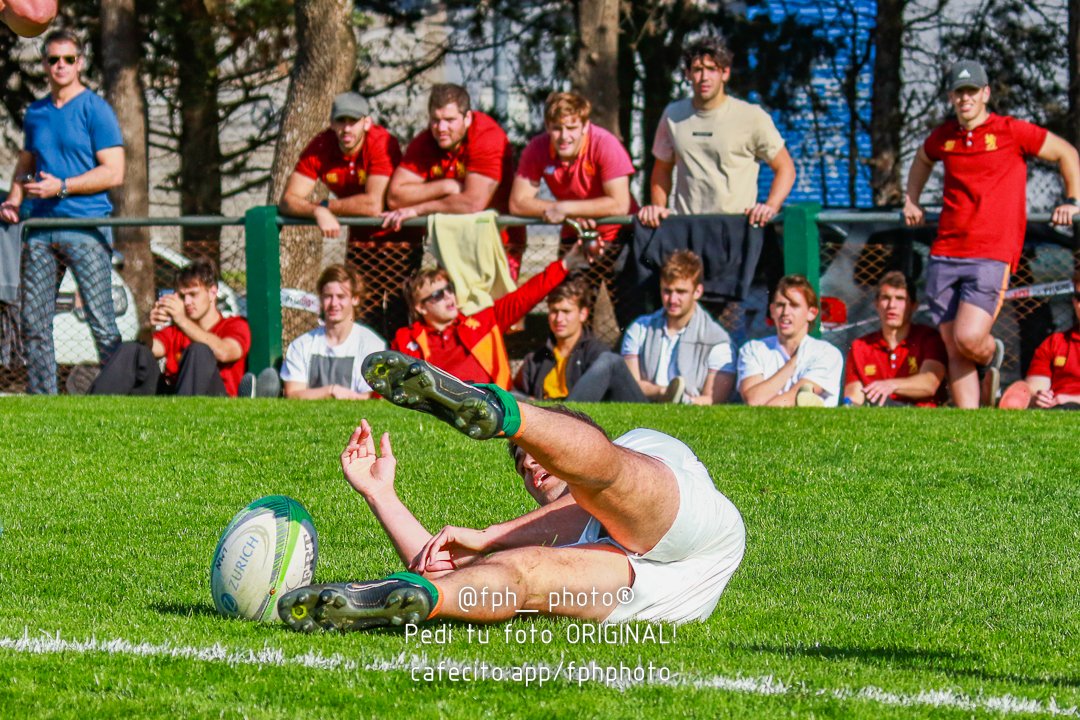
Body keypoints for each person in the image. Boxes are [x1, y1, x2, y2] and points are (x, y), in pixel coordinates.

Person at [278, 351, 745, 631]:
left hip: (700, 535)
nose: (530, 467)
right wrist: (381, 494)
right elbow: (441, 561)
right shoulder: (540, 535)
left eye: (535, 454)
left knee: (608, 477)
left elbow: (587, 497)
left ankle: (505, 414)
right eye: (521, 465)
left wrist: (491, 535)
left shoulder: (640, 445)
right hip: (662, 598)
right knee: (524, 574)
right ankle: (423, 606)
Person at [904, 59, 1080, 408]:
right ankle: (971, 429)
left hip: (991, 253)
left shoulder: (1011, 131)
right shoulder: (944, 137)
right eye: (959, 92)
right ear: (952, 97)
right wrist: (911, 200)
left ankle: (991, 354)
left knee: (968, 336)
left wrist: (1072, 200)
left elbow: (1065, 152)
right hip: (944, 251)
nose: (964, 98)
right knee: (953, 344)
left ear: (985, 93)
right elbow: (923, 159)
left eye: (971, 91)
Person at [0, 29, 125, 394]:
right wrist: (13, 200)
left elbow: (114, 171)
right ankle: (45, 401)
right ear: (44, 64)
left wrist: (64, 186)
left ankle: (117, 395)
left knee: (102, 320)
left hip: (85, 226)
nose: (60, 66)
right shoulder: (36, 113)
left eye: (68, 59)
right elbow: (25, 164)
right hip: (39, 228)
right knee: (34, 322)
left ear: (80, 63)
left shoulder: (96, 110)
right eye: (53, 59)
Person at [636, 35, 795, 230]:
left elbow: (785, 168)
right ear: (687, 74)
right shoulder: (672, 115)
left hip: (737, 227)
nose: (704, 77)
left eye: (712, 69)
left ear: (725, 73)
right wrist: (658, 209)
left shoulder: (751, 116)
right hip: (687, 228)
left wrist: (770, 207)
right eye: (697, 70)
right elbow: (661, 170)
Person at [391, 242, 588, 389]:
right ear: (420, 308)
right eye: (437, 295)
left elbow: (525, 296)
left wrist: (564, 264)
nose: (449, 296)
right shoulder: (406, 339)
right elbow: (393, 384)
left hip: (489, 401)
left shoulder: (483, 322)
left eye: (449, 289)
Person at [381, 84, 525, 274]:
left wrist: (417, 209)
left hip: (498, 243)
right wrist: (447, 186)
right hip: (452, 243)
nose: (441, 128)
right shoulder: (426, 141)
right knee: (448, 303)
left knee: (497, 305)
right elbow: (395, 197)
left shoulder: (486, 136)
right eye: (435, 120)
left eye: (450, 120)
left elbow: (473, 203)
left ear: (467, 118)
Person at [90, 260, 250, 397]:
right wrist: (148, 327)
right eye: (181, 296)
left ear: (212, 293)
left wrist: (181, 319)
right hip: (172, 396)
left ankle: (183, 421)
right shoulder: (177, 331)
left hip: (215, 399)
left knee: (199, 351)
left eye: (193, 294)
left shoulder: (235, 325)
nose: (187, 302)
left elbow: (225, 352)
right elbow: (150, 349)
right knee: (133, 349)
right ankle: (92, 410)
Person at [510, 91, 635, 251]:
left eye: (571, 128)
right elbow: (517, 203)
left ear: (585, 126)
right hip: (574, 234)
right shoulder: (536, 148)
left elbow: (620, 204)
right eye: (556, 128)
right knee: (562, 275)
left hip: (618, 234)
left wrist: (565, 209)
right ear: (547, 127)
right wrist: (567, 212)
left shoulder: (606, 144)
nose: (564, 136)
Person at [278, 91, 400, 243]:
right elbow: (287, 200)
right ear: (332, 123)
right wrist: (317, 211)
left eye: (353, 121)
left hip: (399, 235)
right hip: (360, 238)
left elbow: (373, 205)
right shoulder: (320, 147)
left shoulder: (380, 142)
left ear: (367, 123)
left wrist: (326, 206)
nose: (347, 129)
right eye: (341, 121)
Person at [621, 250, 734, 404]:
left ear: (698, 291)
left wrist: (681, 400)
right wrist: (663, 393)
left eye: (681, 292)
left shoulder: (718, 340)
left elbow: (713, 401)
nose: (673, 300)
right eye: (667, 291)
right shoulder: (640, 328)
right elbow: (629, 387)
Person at [515, 277, 645, 403]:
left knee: (611, 360)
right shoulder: (535, 360)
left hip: (577, 418)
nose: (559, 319)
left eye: (566, 311)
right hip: (548, 416)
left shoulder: (597, 354)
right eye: (554, 311)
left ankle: (567, 412)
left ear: (583, 314)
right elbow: (517, 393)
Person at [280, 264, 386, 400]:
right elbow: (293, 394)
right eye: (328, 296)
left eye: (341, 296)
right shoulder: (301, 345)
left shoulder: (372, 345)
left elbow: (368, 398)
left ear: (355, 299)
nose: (334, 303)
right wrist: (331, 391)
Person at [843, 271, 948, 407]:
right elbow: (853, 397)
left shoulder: (929, 338)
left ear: (914, 306)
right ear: (876, 304)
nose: (891, 305)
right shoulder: (860, 346)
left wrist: (891, 385)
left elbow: (930, 383)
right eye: (885, 298)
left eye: (900, 299)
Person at [737, 274, 843, 407]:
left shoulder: (827, 353)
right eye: (780, 305)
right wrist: (792, 364)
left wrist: (766, 405)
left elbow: (796, 399)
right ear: (772, 310)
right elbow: (753, 400)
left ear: (812, 313)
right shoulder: (753, 349)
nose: (786, 312)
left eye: (794, 305)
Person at [998, 270, 1080, 410]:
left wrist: (1070, 399)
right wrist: (1039, 398)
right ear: (1073, 301)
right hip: (1057, 411)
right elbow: (1035, 388)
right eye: (1079, 298)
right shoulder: (1055, 342)